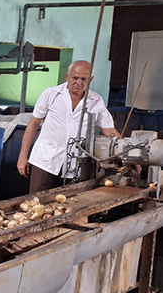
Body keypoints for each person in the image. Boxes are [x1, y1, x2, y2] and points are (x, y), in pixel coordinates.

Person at [17, 60, 120, 193]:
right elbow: (33, 125)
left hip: (76, 165)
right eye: (75, 78)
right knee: (37, 203)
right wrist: (22, 157)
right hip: (45, 162)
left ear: (91, 80)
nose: (78, 82)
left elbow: (109, 130)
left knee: (70, 205)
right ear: (67, 76)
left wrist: (129, 153)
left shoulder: (95, 101)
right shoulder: (51, 94)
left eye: (83, 79)